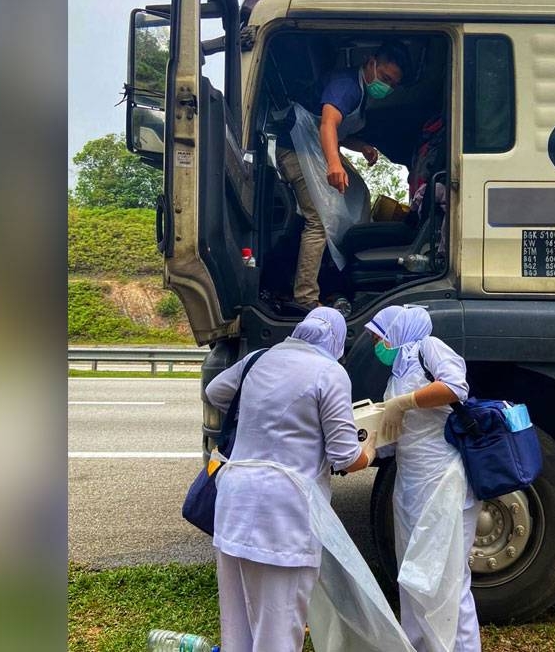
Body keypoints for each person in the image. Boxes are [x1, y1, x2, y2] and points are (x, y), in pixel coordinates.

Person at [205, 307, 375, 652]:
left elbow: (216, 392)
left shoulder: (259, 359)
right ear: (336, 340)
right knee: (278, 630)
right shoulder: (330, 372)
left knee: (237, 628)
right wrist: (371, 450)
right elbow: (345, 455)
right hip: (283, 516)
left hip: (233, 502)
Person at [366, 306, 482, 652]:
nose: (377, 343)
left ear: (399, 330)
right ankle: (418, 645)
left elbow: (455, 387)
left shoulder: (428, 347)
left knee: (447, 577)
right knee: (412, 574)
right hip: (410, 483)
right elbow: (399, 430)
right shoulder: (397, 373)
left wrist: (405, 401)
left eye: (379, 335)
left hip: (442, 479)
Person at [276, 40, 411, 308]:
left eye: (392, 84)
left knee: (359, 192)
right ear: (370, 62)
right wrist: (334, 164)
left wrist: (361, 147)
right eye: (385, 78)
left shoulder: (362, 93)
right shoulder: (346, 85)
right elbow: (327, 124)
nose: (386, 86)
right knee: (318, 218)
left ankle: (343, 270)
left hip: (313, 148)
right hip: (294, 150)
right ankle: (305, 297)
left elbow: (336, 131)